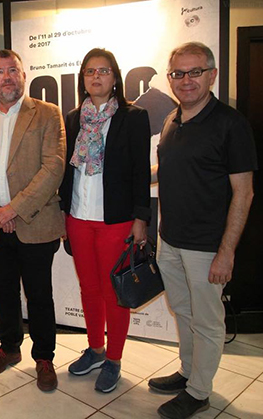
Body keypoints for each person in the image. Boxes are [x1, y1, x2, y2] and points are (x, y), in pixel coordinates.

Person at [148, 42, 257, 419]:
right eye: (178, 73)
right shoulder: (172, 119)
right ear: (170, 78)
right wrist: (129, 178)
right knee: (183, 311)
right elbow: (169, 169)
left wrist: (226, 252)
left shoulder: (231, 124)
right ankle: (187, 371)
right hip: (169, 239)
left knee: (208, 321)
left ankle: (198, 391)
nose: (186, 80)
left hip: (207, 246)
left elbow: (244, 192)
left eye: (195, 72)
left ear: (212, 74)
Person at [0, 49, 66, 392]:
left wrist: (14, 209)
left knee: (39, 295)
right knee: (3, 292)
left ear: (23, 75)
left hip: (34, 223)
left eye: (12, 70)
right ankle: (9, 348)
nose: (6, 77)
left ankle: (44, 357)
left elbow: (53, 168)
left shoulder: (47, 114)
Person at [58, 48, 151, 393]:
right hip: (78, 216)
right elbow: (65, 169)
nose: (96, 77)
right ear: (82, 79)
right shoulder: (73, 118)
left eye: (103, 71)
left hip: (116, 219)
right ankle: (95, 349)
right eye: (89, 71)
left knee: (115, 293)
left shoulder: (133, 117)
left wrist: (141, 218)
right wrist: (62, 211)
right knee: (89, 288)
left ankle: (114, 358)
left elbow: (141, 171)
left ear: (115, 78)